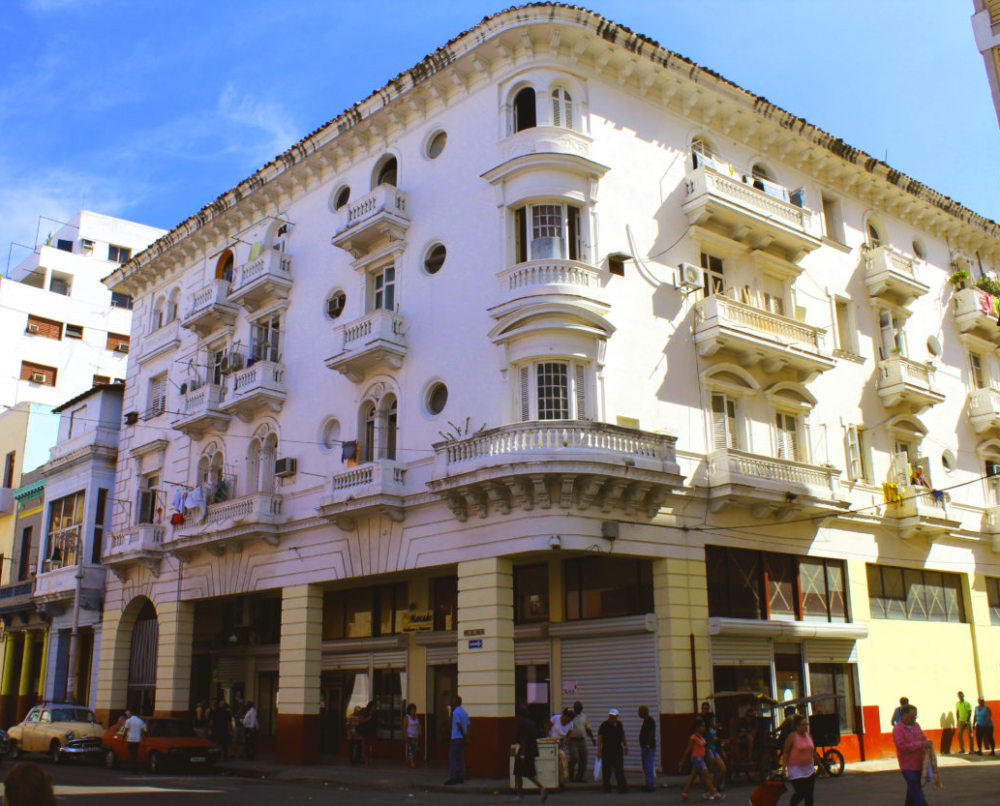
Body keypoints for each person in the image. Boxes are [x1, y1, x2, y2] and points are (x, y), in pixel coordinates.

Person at [780, 714, 826, 806]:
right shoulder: (792, 737)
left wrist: (820, 765)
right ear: (797, 726)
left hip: (809, 769)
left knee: (809, 794)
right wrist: (784, 768)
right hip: (796, 770)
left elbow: (813, 751)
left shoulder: (809, 736)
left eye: (806, 724)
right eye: (803, 725)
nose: (806, 727)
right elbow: (785, 753)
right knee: (801, 793)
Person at [893, 704, 933, 806]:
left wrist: (927, 742)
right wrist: (920, 745)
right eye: (912, 717)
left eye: (915, 717)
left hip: (919, 764)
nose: (914, 719)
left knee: (912, 793)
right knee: (917, 794)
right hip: (908, 766)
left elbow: (922, 737)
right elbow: (902, 747)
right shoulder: (898, 729)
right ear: (904, 715)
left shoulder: (916, 725)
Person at [679, 718, 724, 801]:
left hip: (701, 758)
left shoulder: (701, 736)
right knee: (706, 776)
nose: (704, 728)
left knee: (692, 777)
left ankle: (684, 794)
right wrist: (682, 761)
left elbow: (703, 746)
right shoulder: (693, 737)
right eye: (702, 726)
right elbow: (688, 749)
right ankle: (714, 793)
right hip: (697, 758)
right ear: (697, 727)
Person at [512, 705, 548, 803]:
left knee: (519, 773)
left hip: (525, 752)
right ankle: (540, 788)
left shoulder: (522, 724)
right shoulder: (532, 723)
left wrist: (522, 755)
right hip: (532, 750)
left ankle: (523, 793)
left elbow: (523, 740)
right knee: (529, 773)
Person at [597, 708, 628, 794]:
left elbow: (623, 736)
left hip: (617, 750)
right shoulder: (604, 725)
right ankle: (606, 787)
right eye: (610, 716)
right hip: (607, 750)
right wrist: (599, 750)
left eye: (613, 716)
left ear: (617, 717)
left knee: (619, 770)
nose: (611, 718)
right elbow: (600, 738)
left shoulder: (619, 724)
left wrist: (626, 746)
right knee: (607, 770)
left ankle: (622, 787)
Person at [569, 700, 596, 783]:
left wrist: (592, 738)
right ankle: (570, 775)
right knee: (574, 757)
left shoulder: (584, 716)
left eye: (580, 708)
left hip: (582, 740)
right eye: (577, 708)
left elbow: (587, 728)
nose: (579, 710)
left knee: (584, 759)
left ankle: (579, 777)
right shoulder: (570, 716)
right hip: (573, 740)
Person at [444, 695, 469, 785]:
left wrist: (463, 734)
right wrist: (466, 737)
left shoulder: (455, 712)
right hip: (462, 738)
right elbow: (468, 725)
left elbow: (458, 724)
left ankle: (453, 777)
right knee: (461, 757)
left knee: (453, 757)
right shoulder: (465, 712)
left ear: (454, 702)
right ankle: (461, 776)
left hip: (456, 737)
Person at [548, 708, 574, 783]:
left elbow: (568, 735)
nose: (568, 720)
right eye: (567, 718)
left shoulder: (570, 724)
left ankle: (561, 780)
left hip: (561, 743)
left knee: (561, 761)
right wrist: (547, 738)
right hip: (552, 740)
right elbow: (548, 727)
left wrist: (564, 742)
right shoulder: (555, 718)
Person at [638, 705, 657, 792]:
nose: (638, 713)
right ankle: (648, 783)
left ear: (643, 712)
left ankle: (650, 784)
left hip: (648, 747)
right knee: (646, 765)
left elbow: (651, 734)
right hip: (645, 747)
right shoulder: (646, 721)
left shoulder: (649, 721)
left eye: (639, 711)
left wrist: (648, 746)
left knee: (648, 765)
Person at [357, 701, 378, 768]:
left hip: (373, 733)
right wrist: (367, 719)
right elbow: (360, 720)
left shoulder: (375, 714)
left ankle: (367, 759)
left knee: (373, 748)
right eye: (373, 707)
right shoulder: (365, 713)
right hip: (366, 733)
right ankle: (366, 762)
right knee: (366, 748)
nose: (374, 708)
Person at [404, 703, 421, 769]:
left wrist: (420, 732)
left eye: (414, 709)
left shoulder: (416, 717)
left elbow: (418, 726)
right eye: (412, 709)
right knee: (411, 750)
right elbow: (404, 727)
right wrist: (405, 737)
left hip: (416, 736)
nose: (413, 711)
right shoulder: (407, 718)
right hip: (410, 736)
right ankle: (412, 763)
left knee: (416, 749)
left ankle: (409, 758)